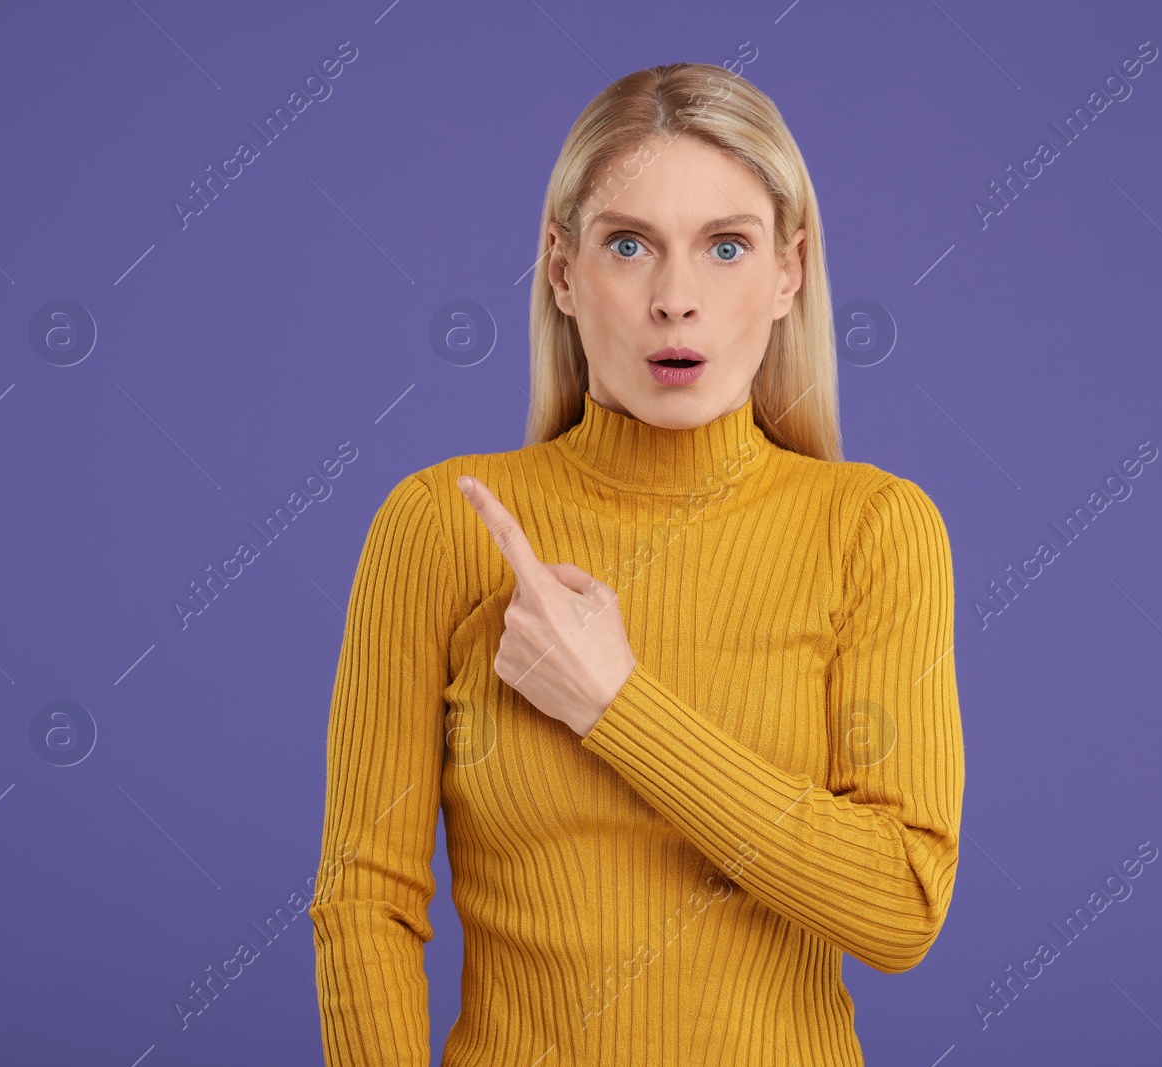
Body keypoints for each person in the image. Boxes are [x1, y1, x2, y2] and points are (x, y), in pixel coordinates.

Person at [308, 61, 963, 1066]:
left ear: (788, 272)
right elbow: (365, 896)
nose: (675, 301)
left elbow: (899, 906)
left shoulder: (873, 526)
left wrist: (614, 700)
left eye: (726, 247)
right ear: (562, 271)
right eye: (628, 245)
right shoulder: (441, 524)